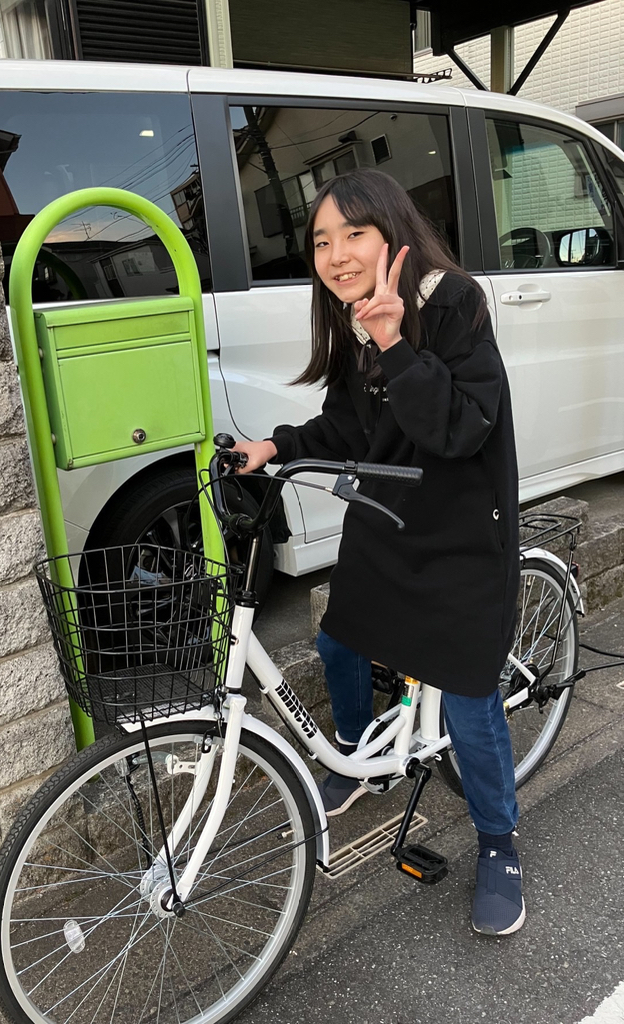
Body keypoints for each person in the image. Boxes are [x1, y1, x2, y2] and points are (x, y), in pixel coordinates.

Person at [234, 168, 523, 936]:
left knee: (468, 696)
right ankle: (357, 755)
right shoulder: (354, 319)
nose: (335, 254)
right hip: (389, 522)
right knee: (338, 638)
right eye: (321, 240)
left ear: (391, 230)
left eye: (352, 233)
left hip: (461, 534)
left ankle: (499, 845)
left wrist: (395, 340)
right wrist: (276, 445)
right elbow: (350, 427)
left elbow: (462, 428)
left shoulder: (450, 301)